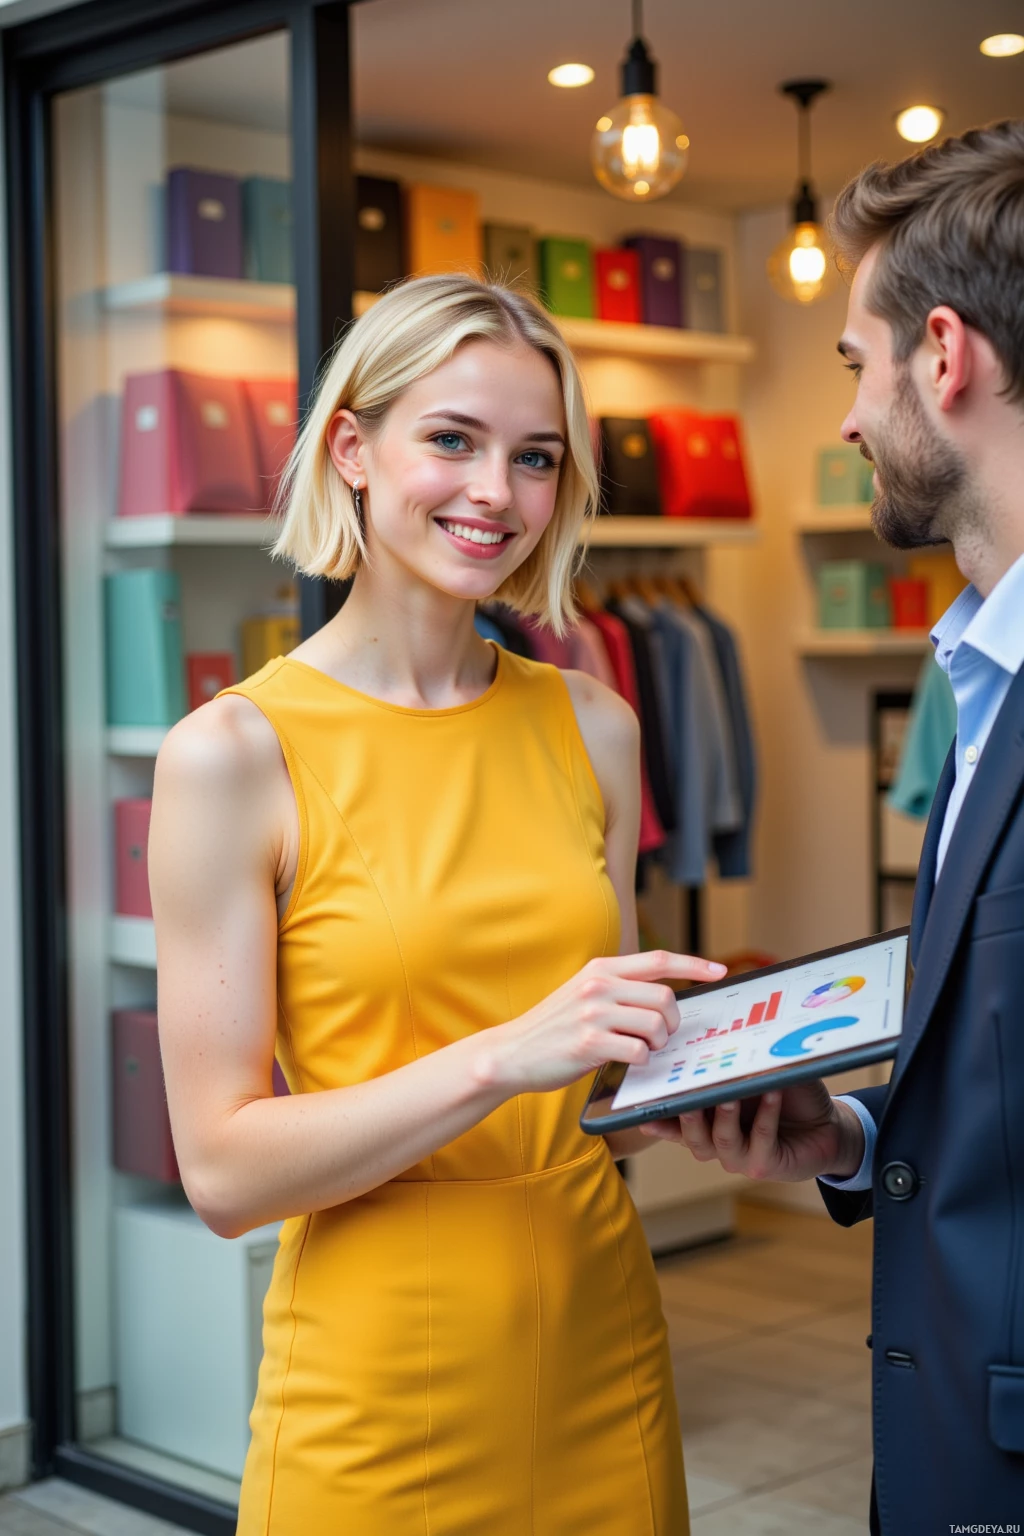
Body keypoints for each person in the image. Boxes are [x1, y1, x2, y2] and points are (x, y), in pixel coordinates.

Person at [149, 273, 724, 1534]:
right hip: (376, 1378)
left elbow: (607, 1087)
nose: (494, 495)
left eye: (534, 458)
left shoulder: (595, 725)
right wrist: (504, 1060)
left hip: (599, 1336)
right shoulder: (232, 755)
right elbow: (225, 1171)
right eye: (451, 440)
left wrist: (731, 1070)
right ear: (352, 446)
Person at [641, 120, 1024, 1533]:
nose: (849, 417)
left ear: (945, 354)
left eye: (856, 367)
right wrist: (850, 1140)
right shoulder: (982, 673)